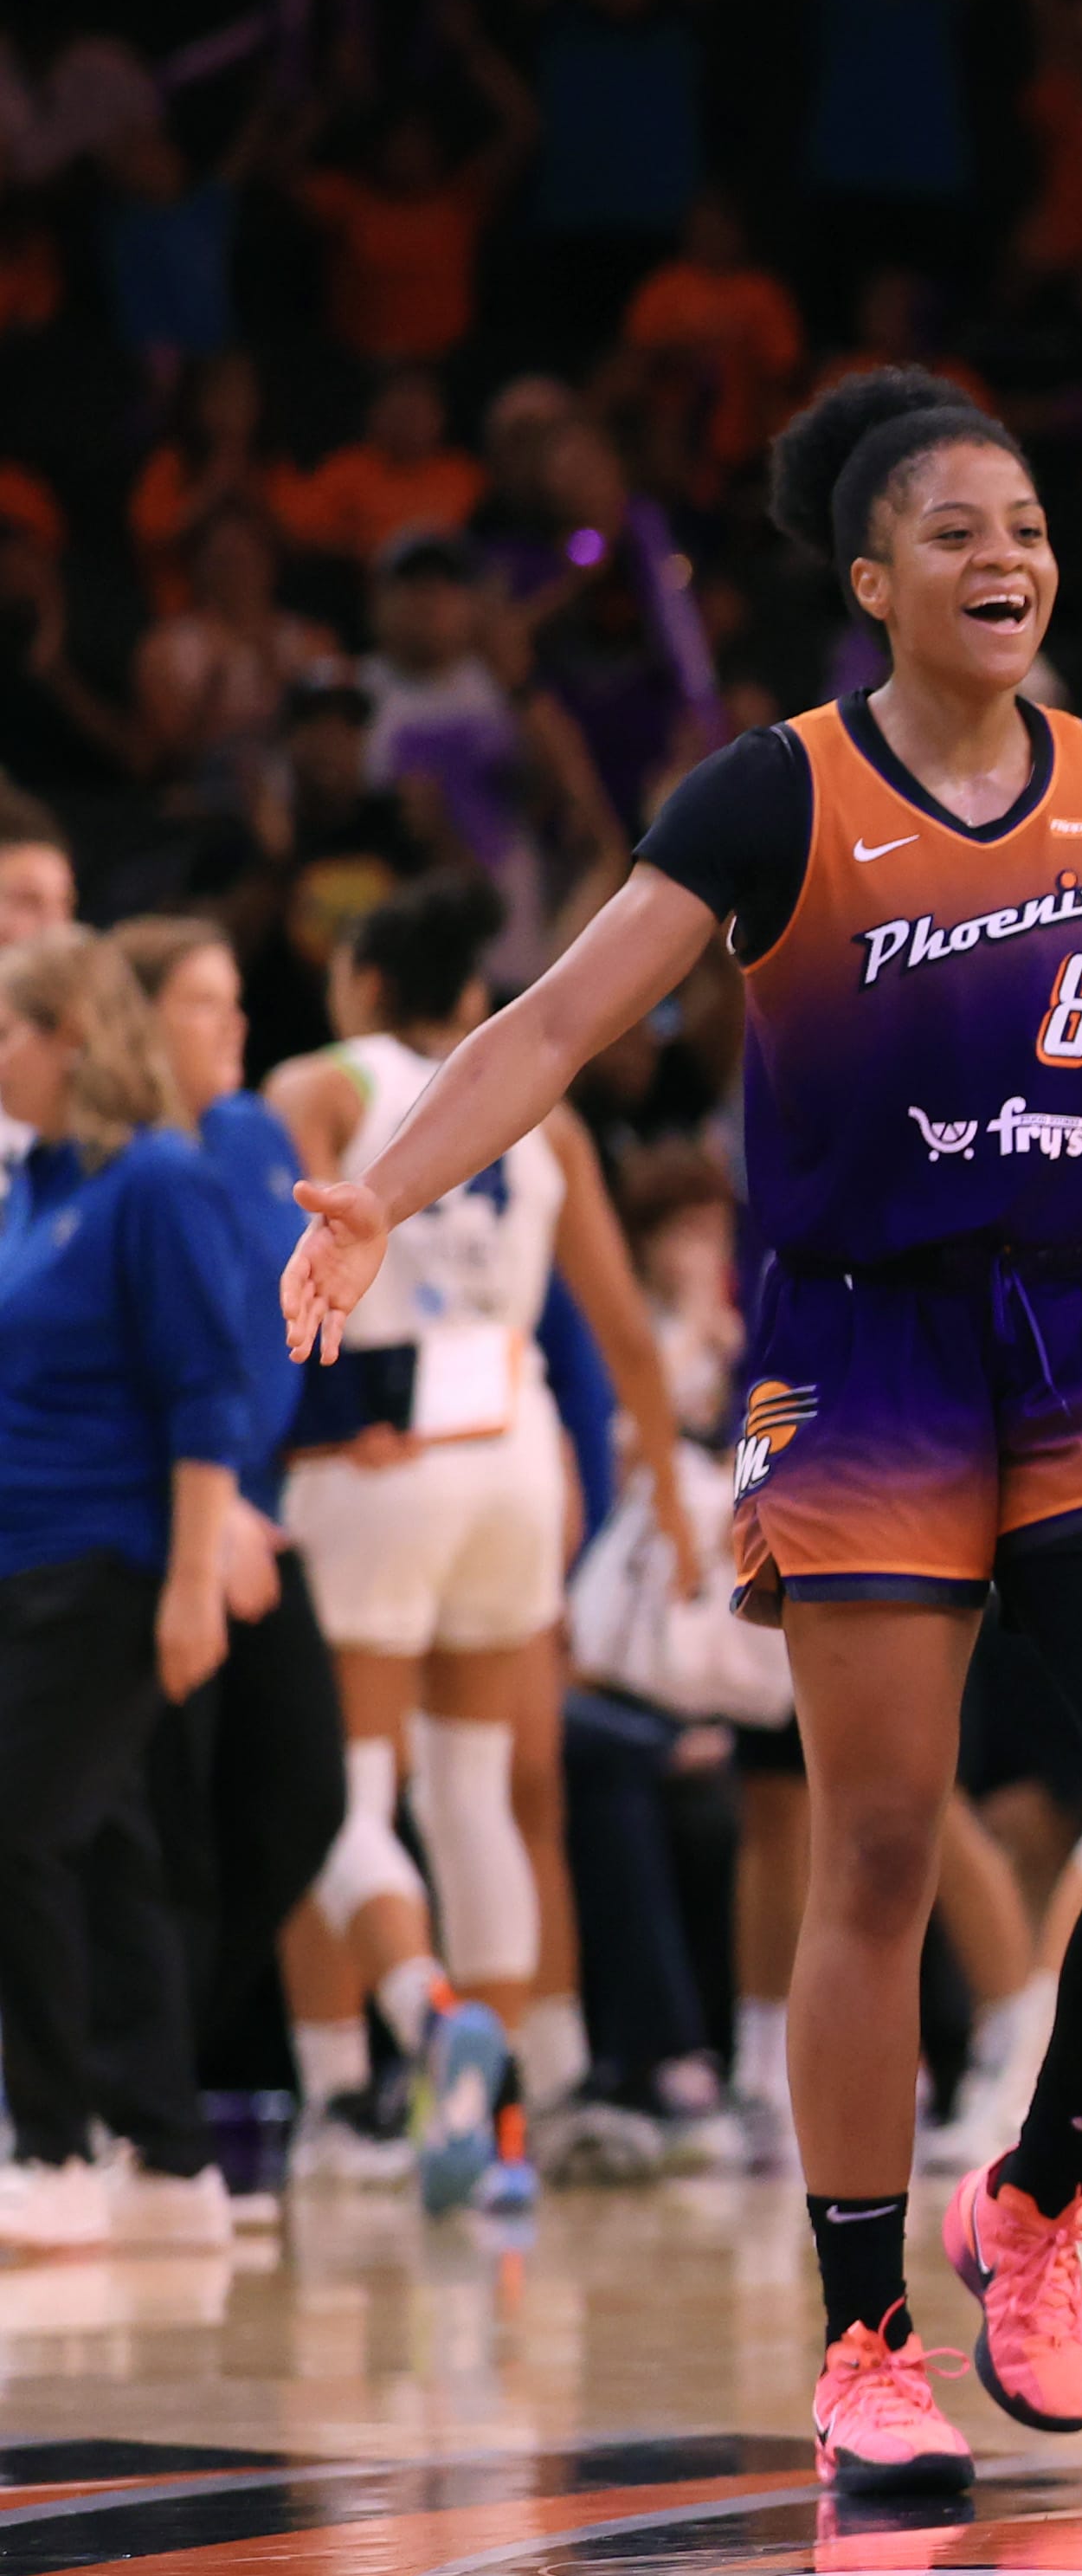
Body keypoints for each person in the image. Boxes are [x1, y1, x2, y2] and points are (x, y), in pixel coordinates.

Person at [280, 365, 1082, 2495]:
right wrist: (390, 1187)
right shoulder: (766, 801)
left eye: (1030, 525)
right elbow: (550, 1020)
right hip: (864, 1353)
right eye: (957, 530)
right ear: (871, 576)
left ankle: (1039, 2203)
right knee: (877, 1840)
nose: (1006, 557)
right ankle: (865, 2335)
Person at [265, 875, 692, 2210]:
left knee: (339, 1789)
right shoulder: (537, 1109)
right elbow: (623, 1330)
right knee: (478, 1795)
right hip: (515, 1453)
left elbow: (260, 1274)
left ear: (362, 984)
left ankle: (363, 2071)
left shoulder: (319, 1085)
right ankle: (505, 2111)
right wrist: (674, 1503)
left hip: (378, 1447)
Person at [0, 933, 265, 2251]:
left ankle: (49, 2151)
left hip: (109, 1564)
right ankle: (168, 2164)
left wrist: (192, 1578)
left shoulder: (157, 1178)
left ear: (75, 1041)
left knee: (22, 1831)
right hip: (21, 1564)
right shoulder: (35, 1182)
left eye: (11, 1034)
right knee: (102, 1844)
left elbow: (206, 1387)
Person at [106, 920, 343, 2174]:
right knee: (161, 1821)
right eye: (202, 1003)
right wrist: (208, 1507)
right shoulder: (108, 1159)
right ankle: (136, 2097)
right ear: (134, 1024)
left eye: (234, 997)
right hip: (160, 1512)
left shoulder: (251, 1136)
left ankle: (151, 2061)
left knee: (306, 1795)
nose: (233, 1025)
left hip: (258, 1501)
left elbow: (278, 1329)